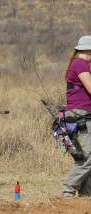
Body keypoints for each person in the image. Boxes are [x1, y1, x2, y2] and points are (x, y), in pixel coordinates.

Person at [63, 35, 91, 197]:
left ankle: (86, 195)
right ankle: (68, 191)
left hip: (83, 114)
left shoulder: (81, 64)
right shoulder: (80, 63)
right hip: (80, 115)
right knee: (87, 157)